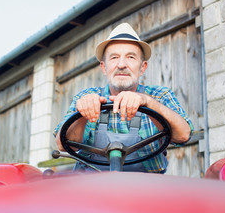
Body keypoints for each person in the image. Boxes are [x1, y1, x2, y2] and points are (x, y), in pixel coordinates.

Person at [53, 23, 193, 173]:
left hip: (146, 191)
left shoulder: (159, 96)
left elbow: (183, 135)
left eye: (131, 57)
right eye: (114, 58)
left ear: (143, 67)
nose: (121, 65)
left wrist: (148, 102)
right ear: (104, 67)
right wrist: (81, 115)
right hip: (92, 190)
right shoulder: (86, 97)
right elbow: (63, 145)